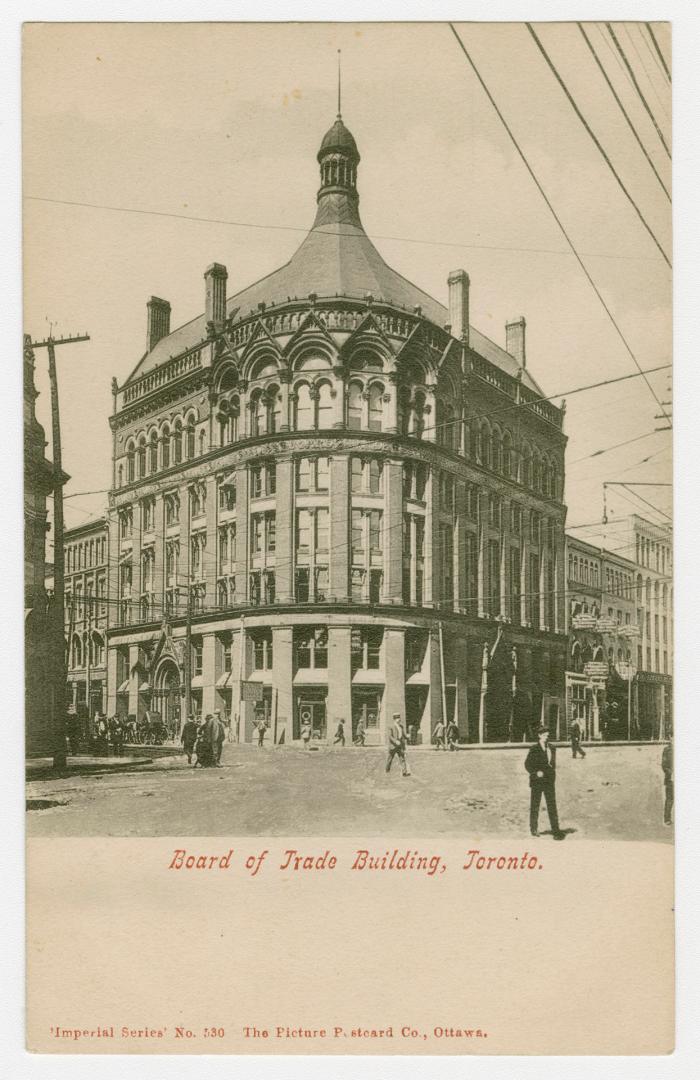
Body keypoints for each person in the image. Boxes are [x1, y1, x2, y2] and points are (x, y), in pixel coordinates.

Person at [524, 725, 564, 839]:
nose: (546, 737)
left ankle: (556, 831)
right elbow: (527, 764)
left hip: (549, 781)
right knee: (535, 805)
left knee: (552, 805)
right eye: (544, 735)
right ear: (539, 736)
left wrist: (552, 774)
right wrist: (535, 772)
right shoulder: (534, 749)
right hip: (537, 781)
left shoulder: (552, 748)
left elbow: (552, 764)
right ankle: (534, 829)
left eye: (548, 735)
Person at [661, 736, 673, 826]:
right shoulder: (667, 750)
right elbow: (664, 765)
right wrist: (671, 773)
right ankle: (667, 819)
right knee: (670, 799)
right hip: (671, 779)